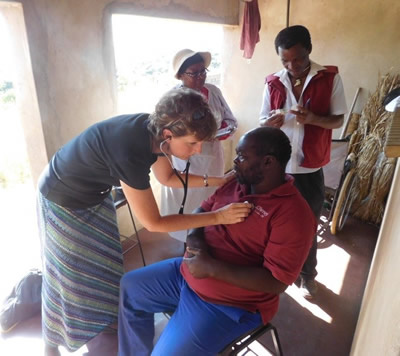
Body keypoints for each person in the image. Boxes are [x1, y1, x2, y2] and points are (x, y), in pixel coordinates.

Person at [36, 87, 252, 355]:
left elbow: (168, 178)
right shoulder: (129, 148)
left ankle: (104, 323)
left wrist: (217, 180)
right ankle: (55, 343)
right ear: (168, 135)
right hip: (63, 200)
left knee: (104, 268)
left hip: (92, 198)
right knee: (71, 280)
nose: (197, 151)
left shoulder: (154, 132)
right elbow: (155, 223)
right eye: (192, 143)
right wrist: (219, 217)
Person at [118, 127, 316, 356]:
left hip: (227, 304)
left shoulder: (293, 215)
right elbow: (201, 210)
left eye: (242, 157)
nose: (235, 160)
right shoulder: (238, 182)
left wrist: (211, 268)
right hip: (186, 274)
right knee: (130, 287)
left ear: (268, 162)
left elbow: (276, 282)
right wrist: (196, 243)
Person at [259, 25, 347, 299]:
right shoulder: (273, 81)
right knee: (276, 225)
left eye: (297, 58)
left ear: (309, 50)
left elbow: (338, 119)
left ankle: (308, 276)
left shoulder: (328, 78)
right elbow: (262, 118)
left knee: (308, 225)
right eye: (284, 60)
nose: (291, 65)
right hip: (278, 167)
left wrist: (313, 119)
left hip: (309, 168)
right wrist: (269, 123)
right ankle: (281, 272)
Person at [160, 49, 238, 242]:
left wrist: (214, 134)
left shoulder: (213, 92)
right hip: (184, 159)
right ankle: (187, 241)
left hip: (212, 157)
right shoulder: (173, 100)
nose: (200, 77)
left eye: (203, 71)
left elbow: (231, 121)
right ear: (180, 75)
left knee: (211, 196)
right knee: (186, 198)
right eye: (194, 73)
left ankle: (208, 237)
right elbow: (165, 133)